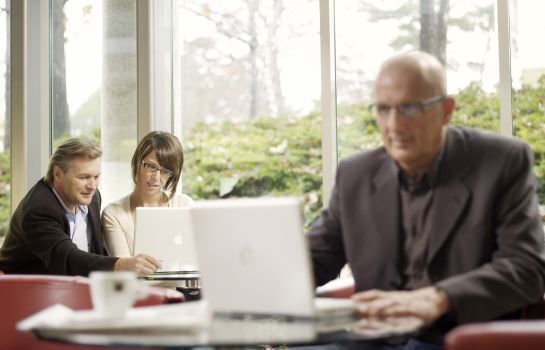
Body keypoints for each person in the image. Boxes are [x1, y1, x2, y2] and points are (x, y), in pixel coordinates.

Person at [309, 51, 545, 348]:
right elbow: (316, 258)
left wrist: (439, 298)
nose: (394, 125)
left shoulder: (501, 162)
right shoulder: (356, 174)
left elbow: (526, 268)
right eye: (383, 109)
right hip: (371, 337)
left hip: (455, 338)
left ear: (446, 110)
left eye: (409, 108)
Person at [0, 138, 161, 276]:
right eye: (83, 177)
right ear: (58, 174)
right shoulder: (39, 210)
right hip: (25, 293)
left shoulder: (91, 197)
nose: (92, 186)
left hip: (72, 288)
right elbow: (68, 259)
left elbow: (96, 253)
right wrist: (122, 265)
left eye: (96, 177)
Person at [102, 131, 193, 257]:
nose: (156, 177)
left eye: (165, 171)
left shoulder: (184, 205)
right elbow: (124, 270)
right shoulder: (114, 214)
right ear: (137, 162)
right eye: (150, 166)